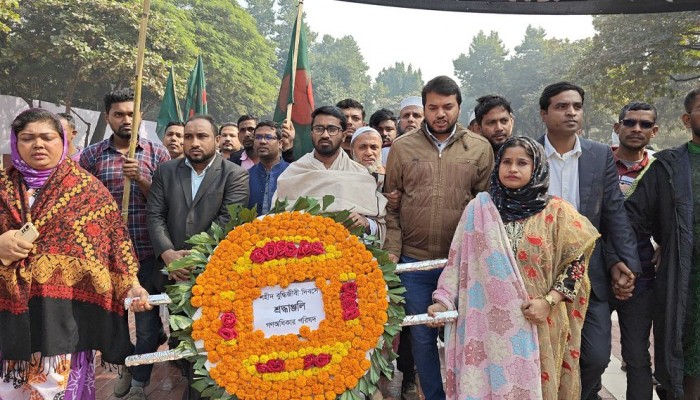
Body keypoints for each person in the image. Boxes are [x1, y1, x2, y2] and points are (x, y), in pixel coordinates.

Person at [428, 136, 599, 399]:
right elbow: (457, 262)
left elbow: (575, 266)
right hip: (485, 326)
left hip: (538, 321)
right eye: (506, 162)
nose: (512, 169)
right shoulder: (479, 208)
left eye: (522, 163)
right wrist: (443, 301)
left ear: (537, 168)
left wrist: (549, 302)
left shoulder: (557, 212)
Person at [0, 108, 150, 400]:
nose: (38, 145)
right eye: (28, 138)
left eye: (47, 137)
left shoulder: (89, 192)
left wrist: (132, 284)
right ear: (15, 143)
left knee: (53, 389)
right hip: (7, 316)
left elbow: (115, 245)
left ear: (63, 142)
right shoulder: (1, 188)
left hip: (66, 316)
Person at [384, 76, 494, 400]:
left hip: (460, 263)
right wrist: (392, 249)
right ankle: (433, 396)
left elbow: (485, 209)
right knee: (420, 339)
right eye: (433, 107)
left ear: (459, 106)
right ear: (424, 108)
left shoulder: (479, 148)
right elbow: (391, 204)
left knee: (466, 335)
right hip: (414, 262)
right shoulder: (402, 149)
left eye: (447, 106)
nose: (440, 113)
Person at [535, 82, 641, 400]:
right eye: (561, 106)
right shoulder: (526, 152)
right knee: (542, 356)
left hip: (588, 271)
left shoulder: (598, 155)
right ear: (544, 113)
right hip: (539, 270)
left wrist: (626, 262)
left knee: (595, 356)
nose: (571, 112)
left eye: (577, 106)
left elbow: (614, 213)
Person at [147, 114, 249, 400]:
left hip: (215, 273)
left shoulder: (234, 174)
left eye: (201, 136)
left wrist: (196, 258)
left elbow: (228, 222)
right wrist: (168, 254)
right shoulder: (166, 171)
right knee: (187, 344)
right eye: (188, 136)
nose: (193, 142)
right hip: (174, 273)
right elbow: (155, 215)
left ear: (216, 140)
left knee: (217, 342)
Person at [79, 88, 171, 399]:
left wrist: (142, 180)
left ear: (141, 116)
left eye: (132, 113)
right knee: (113, 323)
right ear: (108, 118)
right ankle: (126, 363)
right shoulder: (91, 156)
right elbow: (80, 205)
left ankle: (138, 383)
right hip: (106, 258)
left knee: (145, 323)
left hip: (146, 253)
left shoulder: (158, 155)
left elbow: (165, 205)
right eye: (119, 114)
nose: (126, 120)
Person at [624, 88, 700, 399]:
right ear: (686, 119)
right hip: (684, 279)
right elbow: (633, 217)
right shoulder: (668, 166)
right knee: (685, 359)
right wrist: (665, 241)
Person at [274, 105, 387, 246]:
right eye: (319, 129)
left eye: (332, 129)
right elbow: (275, 219)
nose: (325, 135)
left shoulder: (360, 174)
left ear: (344, 135)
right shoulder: (294, 172)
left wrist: (366, 223)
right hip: (301, 256)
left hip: (350, 255)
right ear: (311, 133)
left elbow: (380, 223)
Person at [610, 101, 658, 400]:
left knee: (638, 357)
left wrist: (664, 243)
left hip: (641, 272)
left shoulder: (660, 169)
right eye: (629, 123)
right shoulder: (598, 164)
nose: (636, 129)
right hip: (594, 269)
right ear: (617, 128)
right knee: (592, 354)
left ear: (654, 131)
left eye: (644, 124)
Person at [247, 120, 289, 215]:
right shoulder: (246, 176)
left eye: (268, 137)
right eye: (258, 137)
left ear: (280, 143)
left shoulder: (293, 173)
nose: (262, 141)